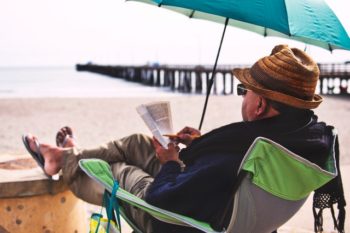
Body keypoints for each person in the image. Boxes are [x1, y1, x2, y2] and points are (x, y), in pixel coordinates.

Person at [22, 44, 337, 233]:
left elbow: (164, 199)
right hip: (221, 200)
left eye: (245, 91)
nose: (243, 97)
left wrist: (171, 163)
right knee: (138, 143)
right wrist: (200, 144)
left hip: (178, 220)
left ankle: (65, 161)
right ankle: (65, 156)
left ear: (259, 105)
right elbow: (225, 167)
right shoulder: (302, 140)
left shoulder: (249, 152)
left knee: (119, 169)